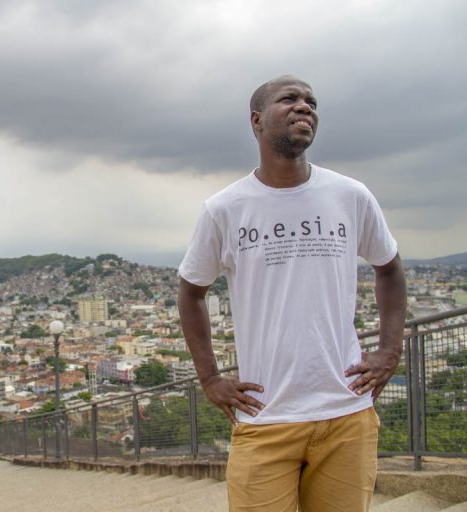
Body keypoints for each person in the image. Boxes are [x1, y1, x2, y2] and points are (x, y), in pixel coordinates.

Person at [177, 76, 407, 511]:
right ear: (256, 121)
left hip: (346, 412)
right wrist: (209, 378)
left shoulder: (349, 195)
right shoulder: (225, 208)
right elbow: (191, 291)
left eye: (312, 102)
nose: (306, 107)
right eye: (290, 100)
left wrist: (389, 351)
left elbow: (390, 269)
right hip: (266, 417)